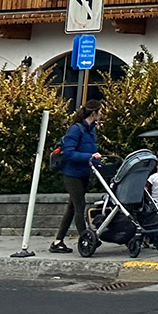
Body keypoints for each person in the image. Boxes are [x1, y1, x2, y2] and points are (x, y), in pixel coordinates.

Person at [49, 102, 102, 252]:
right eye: (99, 112)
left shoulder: (91, 130)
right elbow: (69, 153)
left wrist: (97, 162)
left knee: (71, 208)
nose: (100, 115)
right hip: (72, 174)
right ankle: (85, 239)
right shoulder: (75, 129)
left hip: (84, 173)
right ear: (93, 114)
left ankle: (58, 241)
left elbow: (91, 149)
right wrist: (90, 156)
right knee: (79, 206)